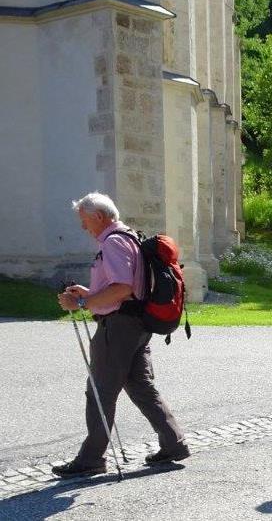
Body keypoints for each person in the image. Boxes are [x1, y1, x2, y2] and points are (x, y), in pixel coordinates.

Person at [53, 192, 188, 478]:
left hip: (119, 326)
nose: (83, 227)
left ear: (99, 217)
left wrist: (81, 302)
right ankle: (173, 443)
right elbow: (126, 288)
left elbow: (122, 289)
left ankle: (91, 459)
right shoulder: (130, 237)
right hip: (137, 323)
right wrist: (90, 293)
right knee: (141, 386)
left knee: (100, 391)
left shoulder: (113, 242)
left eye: (85, 220)